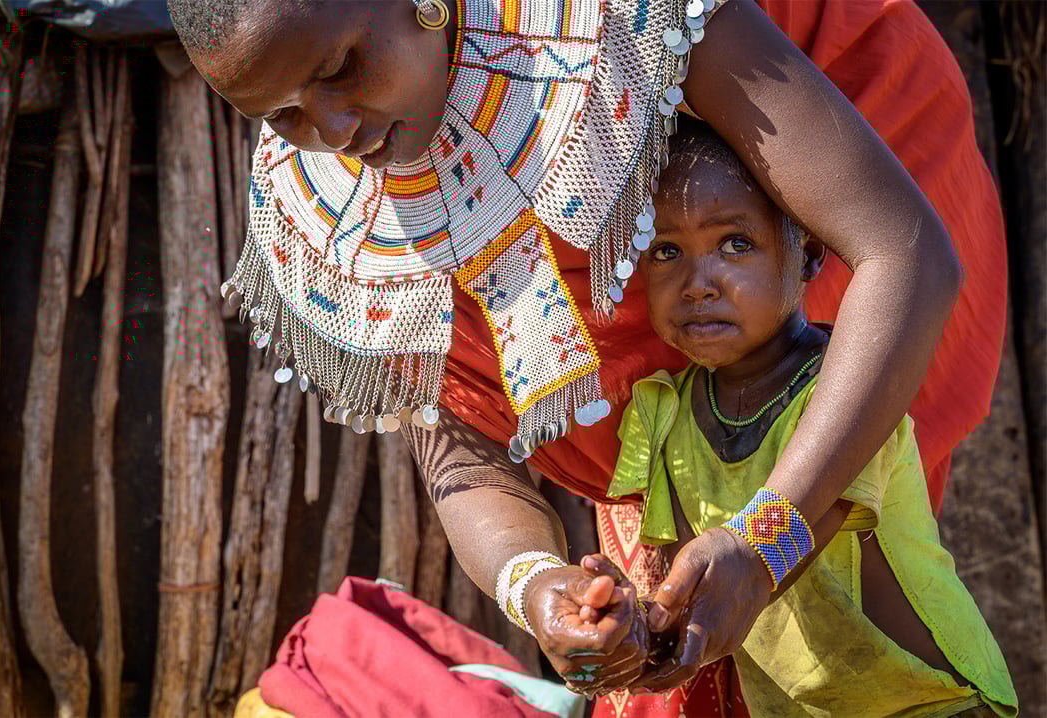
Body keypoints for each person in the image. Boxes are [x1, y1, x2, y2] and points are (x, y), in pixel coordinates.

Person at [166, 0, 1008, 714]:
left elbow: (901, 251)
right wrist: (535, 584)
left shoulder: (619, 23)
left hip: (844, 266)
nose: (335, 132)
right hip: (669, 446)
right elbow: (464, 444)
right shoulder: (336, 218)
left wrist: (765, 543)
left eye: (340, 67)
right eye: (282, 115)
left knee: (847, 567)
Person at [572, 121, 1016, 716]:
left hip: (935, 704)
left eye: (735, 244)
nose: (697, 285)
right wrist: (629, 621)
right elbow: (692, 587)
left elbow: (786, 541)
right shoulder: (660, 412)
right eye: (666, 251)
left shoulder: (850, 391)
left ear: (806, 254)